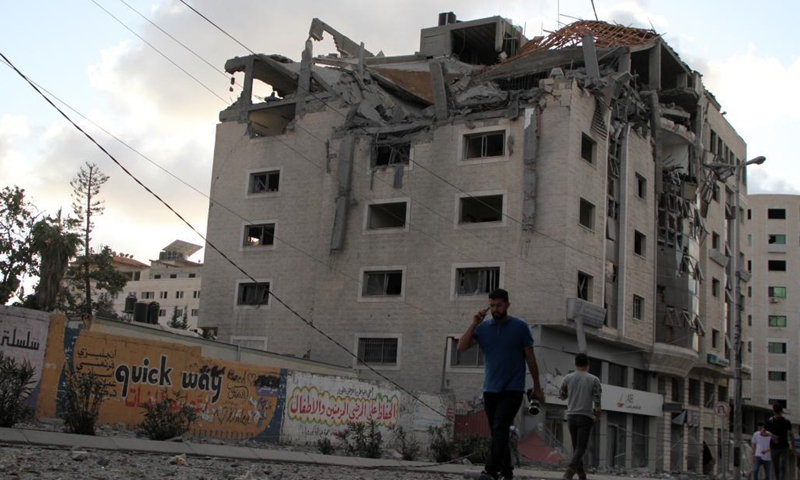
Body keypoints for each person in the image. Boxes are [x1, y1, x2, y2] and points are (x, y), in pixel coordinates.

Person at [458, 289, 544, 480]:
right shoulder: (483, 328)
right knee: (499, 432)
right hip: (490, 389)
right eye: (492, 305)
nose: (495, 309)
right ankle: (507, 472)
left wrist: (537, 387)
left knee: (500, 427)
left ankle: (490, 471)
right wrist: (474, 323)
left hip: (513, 389)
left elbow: (530, 358)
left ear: (507, 305)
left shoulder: (520, 327)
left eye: (499, 305)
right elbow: (461, 347)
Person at [559, 353, 601, 480]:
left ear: (575, 364)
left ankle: (582, 475)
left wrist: (568, 391)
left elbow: (562, 396)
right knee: (581, 447)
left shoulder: (567, 378)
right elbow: (597, 400)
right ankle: (569, 473)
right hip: (585, 417)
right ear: (587, 365)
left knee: (576, 447)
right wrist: (597, 415)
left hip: (571, 416)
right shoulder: (594, 379)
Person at [765, 404, 795, 480]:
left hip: (784, 447)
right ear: (774, 412)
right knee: (776, 467)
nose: (778, 415)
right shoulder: (770, 421)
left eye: (779, 413)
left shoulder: (786, 422)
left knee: (782, 466)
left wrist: (793, 448)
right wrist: (771, 435)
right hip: (774, 448)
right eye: (777, 413)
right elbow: (763, 432)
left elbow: (791, 435)